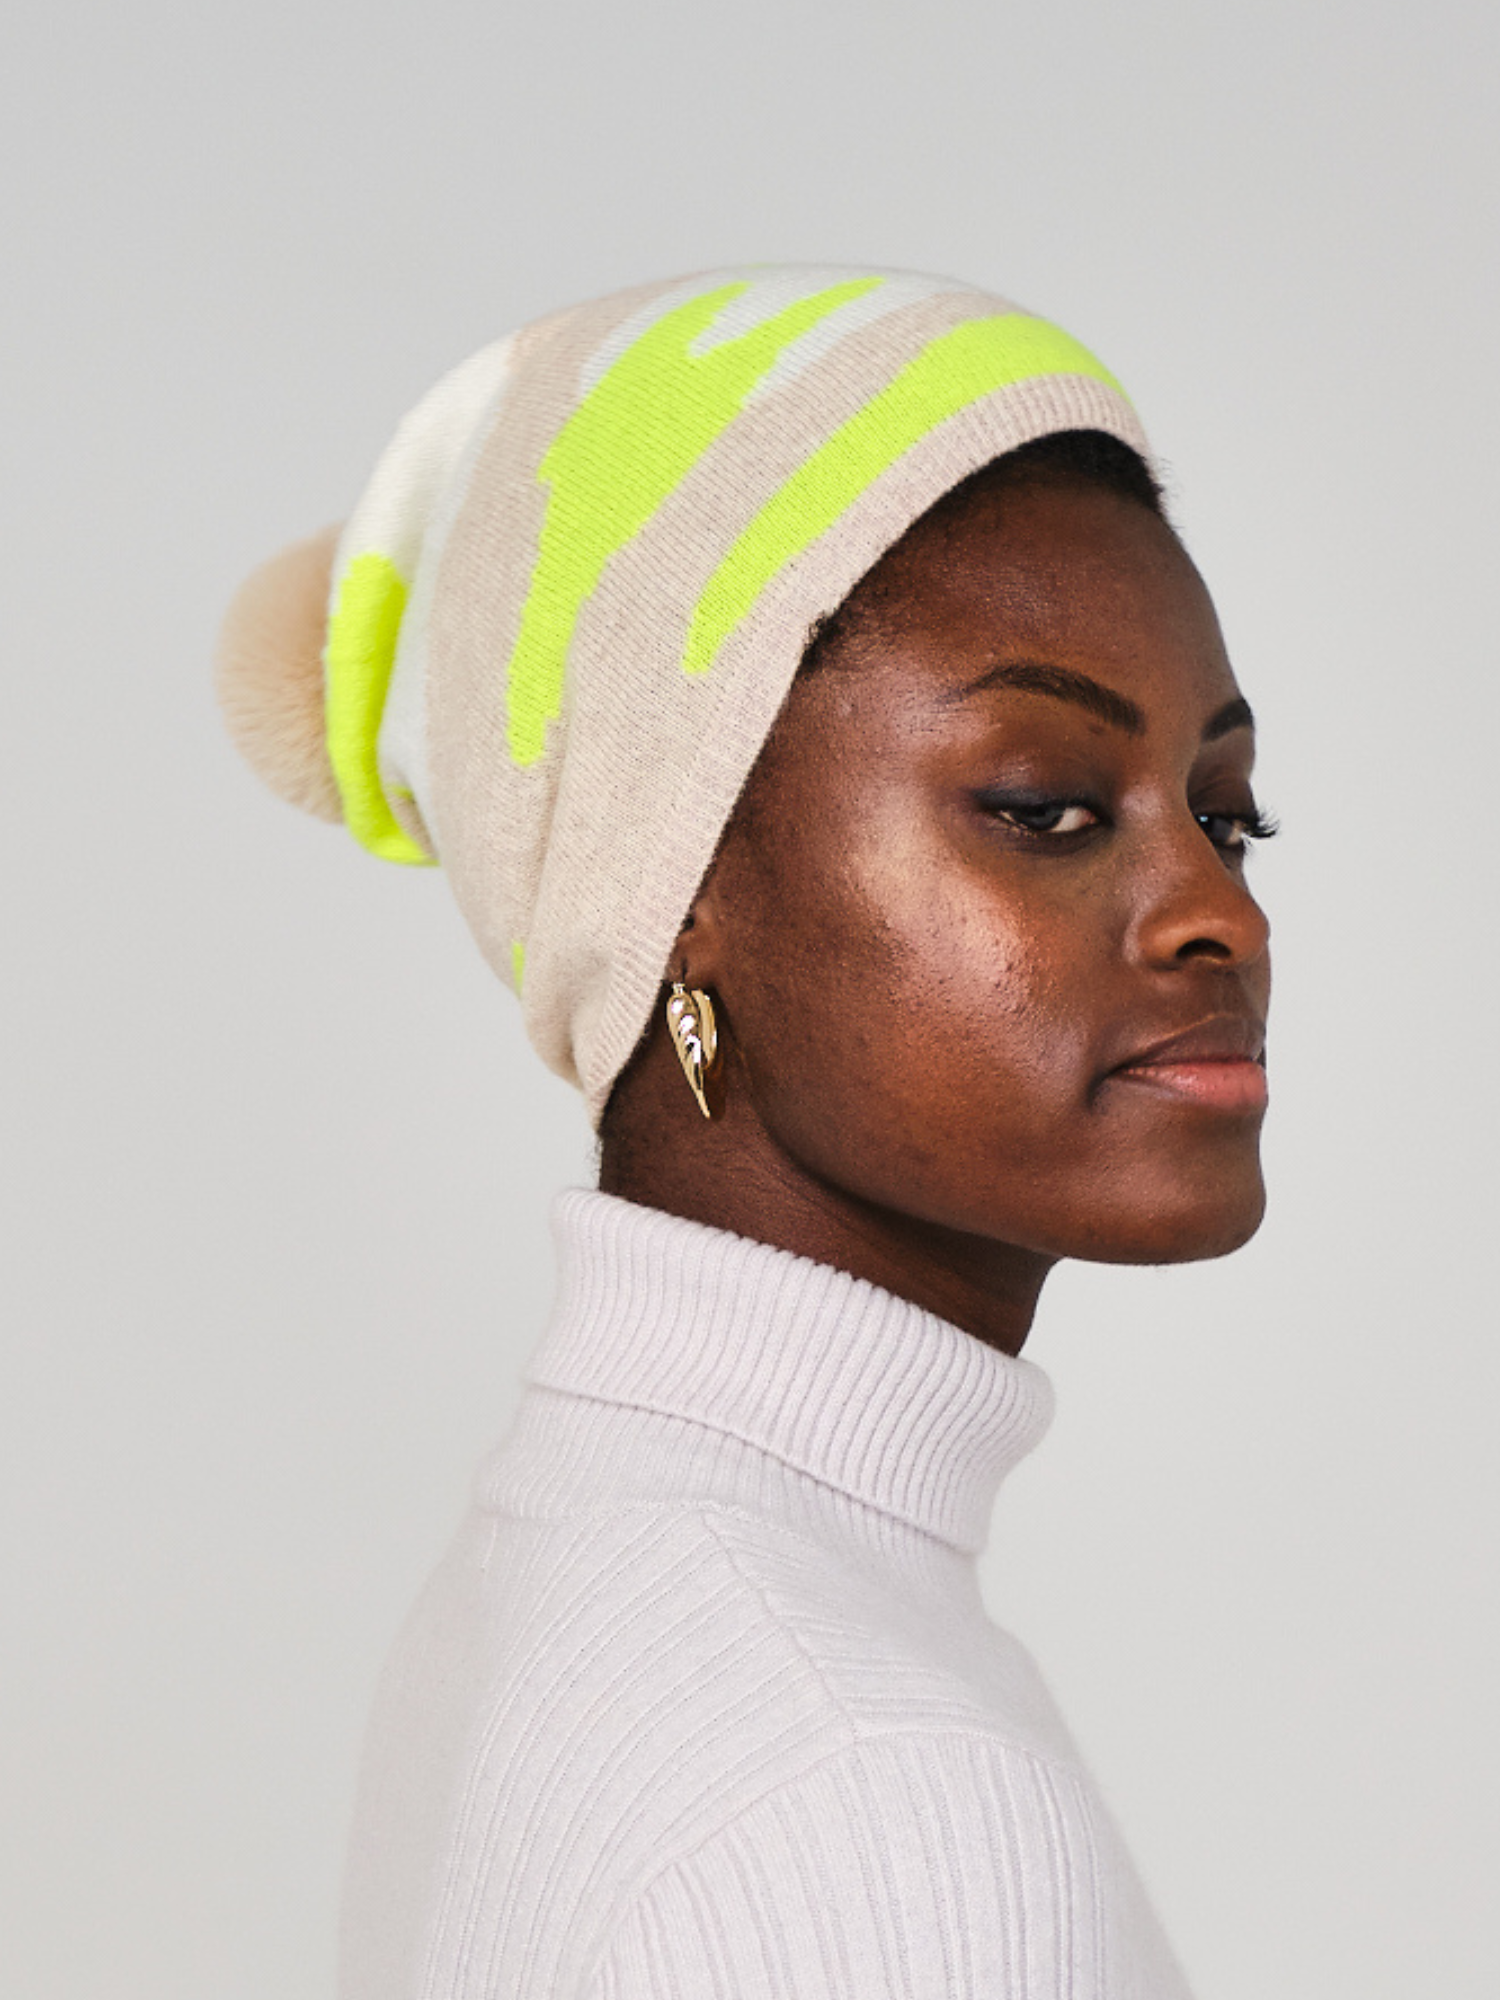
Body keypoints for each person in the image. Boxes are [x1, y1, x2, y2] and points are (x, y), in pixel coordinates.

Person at [216, 263, 1274, 1998]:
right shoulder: (885, 1802)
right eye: (1045, 806)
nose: (1212, 912)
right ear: (681, 893)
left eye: (1233, 817)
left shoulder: (584, 1565)